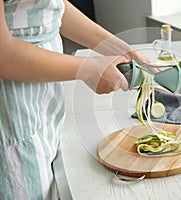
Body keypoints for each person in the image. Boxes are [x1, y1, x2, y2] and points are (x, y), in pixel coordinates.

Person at [0, 0, 150, 199]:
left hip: (42, 96)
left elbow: (52, 6)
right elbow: (4, 54)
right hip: (10, 108)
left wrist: (123, 50)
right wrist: (87, 69)